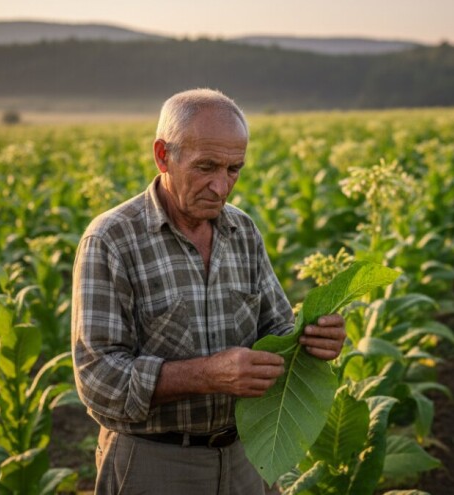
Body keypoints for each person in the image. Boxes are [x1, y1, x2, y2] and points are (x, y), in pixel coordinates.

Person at [71, 88, 347, 495]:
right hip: (155, 463)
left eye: (234, 169)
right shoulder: (112, 239)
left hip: (247, 458)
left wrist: (314, 340)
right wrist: (206, 374)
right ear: (163, 155)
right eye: (207, 167)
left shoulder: (243, 231)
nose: (221, 187)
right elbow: (99, 381)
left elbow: (278, 329)